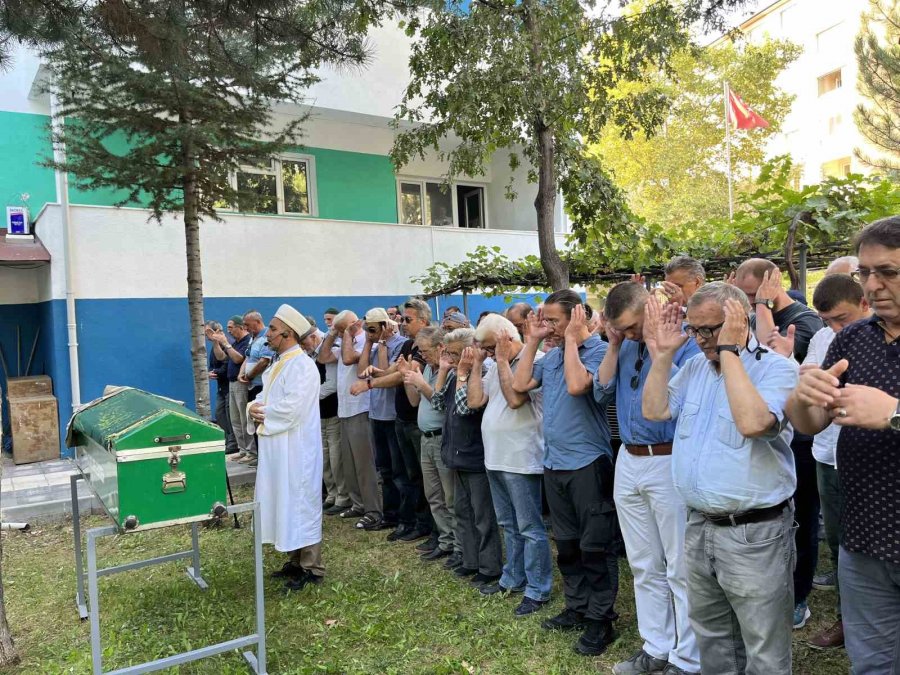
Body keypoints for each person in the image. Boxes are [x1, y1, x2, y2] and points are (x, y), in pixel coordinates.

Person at [642, 282, 799, 675]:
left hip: (755, 534)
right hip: (699, 526)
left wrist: (729, 351)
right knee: (713, 640)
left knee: (764, 648)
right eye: (694, 330)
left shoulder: (776, 368)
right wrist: (662, 356)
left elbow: (754, 423)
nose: (700, 340)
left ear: (739, 321)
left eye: (709, 329)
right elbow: (655, 411)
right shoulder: (695, 366)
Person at [786, 217, 900, 674]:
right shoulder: (852, 336)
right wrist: (802, 396)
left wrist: (894, 414)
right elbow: (810, 421)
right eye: (864, 273)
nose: (872, 285)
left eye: (888, 272)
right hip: (865, 537)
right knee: (871, 664)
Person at [596, 282, 701, 675]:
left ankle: (688, 658)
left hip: (669, 457)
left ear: (652, 308)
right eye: (621, 328)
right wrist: (613, 343)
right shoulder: (622, 344)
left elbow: (685, 400)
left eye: (634, 325)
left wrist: (660, 348)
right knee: (643, 562)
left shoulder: (685, 340)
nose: (630, 334)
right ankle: (656, 646)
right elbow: (599, 391)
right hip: (629, 456)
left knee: (679, 565)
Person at [512, 290, 618, 657]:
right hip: (554, 464)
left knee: (594, 547)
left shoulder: (600, 351)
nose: (549, 327)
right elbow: (519, 384)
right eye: (547, 320)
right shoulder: (552, 354)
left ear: (577, 316)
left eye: (554, 321)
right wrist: (533, 341)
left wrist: (572, 340)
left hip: (588, 464)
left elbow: (578, 386)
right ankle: (577, 607)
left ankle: (601, 620)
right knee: (568, 546)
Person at [735, 258, 824, 629]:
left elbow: (769, 353)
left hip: (802, 440)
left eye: (753, 293)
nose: (750, 302)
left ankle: (799, 596)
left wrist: (763, 305)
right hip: (770, 436)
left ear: (773, 284)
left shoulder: (804, 321)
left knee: (802, 521)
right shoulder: (759, 314)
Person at [802, 273, 871, 650]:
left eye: (841, 319)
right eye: (828, 321)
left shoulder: (880, 341)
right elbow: (810, 376)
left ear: (865, 303)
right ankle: (850, 621)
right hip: (828, 455)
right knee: (842, 544)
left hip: (872, 463)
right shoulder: (824, 337)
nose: (834, 328)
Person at [467, 314, 552, 617]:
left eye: (491, 348)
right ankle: (513, 578)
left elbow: (516, 399)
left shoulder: (536, 361)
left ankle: (538, 589)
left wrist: (501, 361)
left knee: (529, 527)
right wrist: (478, 364)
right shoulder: (492, 365)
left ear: (507, 338)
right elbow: (475, 401)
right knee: (508, 524)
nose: (489, 354)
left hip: (522, 457)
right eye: (487, 350)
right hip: (496, 457)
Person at [247, 305, 324, 591]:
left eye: (273, 330)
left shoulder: (303, 366)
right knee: (284, 500)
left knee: (301, 501)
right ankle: (294, 558)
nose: (268, 335)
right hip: (278, 446)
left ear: (288, 334)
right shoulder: (280, 362)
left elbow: (292, 409)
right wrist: (252, 407)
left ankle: (311, 566)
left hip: (297, 448)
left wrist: (262, 412)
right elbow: (264, 397)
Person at [433, 327, 503, 589]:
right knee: (463, 512)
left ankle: (490, 566)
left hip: (475, 456)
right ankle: (471, 560)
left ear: (468, 353)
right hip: (456, 456)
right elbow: (439, 403)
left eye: (453, 354)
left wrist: (463, 373)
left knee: (483, 516)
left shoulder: (479, 374)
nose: (449, 359)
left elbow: (464, 409)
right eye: (447, 354)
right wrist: (443, 370)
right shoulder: (454, 375)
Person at [317, 310, 383, 530]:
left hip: (361, 407)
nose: (338, 333)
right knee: (350, 464)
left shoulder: (367, 341)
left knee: (364, 464)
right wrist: (333, 334)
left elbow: (347, 359)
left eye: (342, 328)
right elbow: (323, 357)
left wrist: (346, 335)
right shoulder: (348, 339)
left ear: (356, 324)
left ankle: (373, 509)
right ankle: (357, 504)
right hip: (344, 409)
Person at [403, 326, 462, 565]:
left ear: (440, 347)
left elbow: (441, 405)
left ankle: (459, 545)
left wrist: (421, 382)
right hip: (425, 438)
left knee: (450, 497)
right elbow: (413, 400)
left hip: (441, 438)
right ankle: (445, 541)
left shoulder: (450, 372)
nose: (423, 355)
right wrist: (410, 378)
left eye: (426, 350)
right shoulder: (428, 367)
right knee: (434, 496)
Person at [350, 308, 409, 534]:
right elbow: (362, 372)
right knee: (384, 469)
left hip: (392, 414)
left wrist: (382, 344)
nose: (370, 333)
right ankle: (390, 514)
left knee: (398, 471)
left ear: (385, 326)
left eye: (373, 329)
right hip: (376, 414)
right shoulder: (372, 345)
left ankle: (403, 516)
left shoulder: (400, 344)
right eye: (367, 329)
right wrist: (368, 343)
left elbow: (384, 373)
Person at [301, 326, 348, 516]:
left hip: (332, 410)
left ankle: (343, 496)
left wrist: (309, 397)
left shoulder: (329, 351)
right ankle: (331, 493)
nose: (304, 348)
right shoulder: (312, 354)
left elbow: (332, 384)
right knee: (324, 457)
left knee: (336, 458)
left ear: (314, 337)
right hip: (319, 413)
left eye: (305, 343)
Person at [211, 315, 253, 463]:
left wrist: (226, 343)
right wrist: (217, 342)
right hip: (231, 384)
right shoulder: (235, 343)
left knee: (244, 419)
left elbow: (238, 359)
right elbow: (223, 358)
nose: (228, 331)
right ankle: (242, 450)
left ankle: (251, 452)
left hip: (241, 384)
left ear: (240, 327)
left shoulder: (247, 342)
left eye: (230, 327)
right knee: (235, 420)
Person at [239, 310, 275, 467]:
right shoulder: (253, 338)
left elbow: (264, 361)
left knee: (259, 420)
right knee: (252, 420)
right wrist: (242, 373)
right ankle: (259, 457)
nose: (245, 327)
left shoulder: (266, 336)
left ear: (257, 321)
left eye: (247, 324)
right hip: (251, 384)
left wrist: (249, 376)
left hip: (260, 385)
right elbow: (248, 358)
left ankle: (263, 458)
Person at [204, 320, 238, 454]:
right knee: (220, 414)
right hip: (221, 388)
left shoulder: (227, 344)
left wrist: (215, 372)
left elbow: (226, 363)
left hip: (229, 386)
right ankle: (227, 440)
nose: (206, 335)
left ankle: (233, 443)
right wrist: (210, 372)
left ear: (216, 331)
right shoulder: (213, 347)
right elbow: (213, 365)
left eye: (208, 332)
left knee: (231, 416)